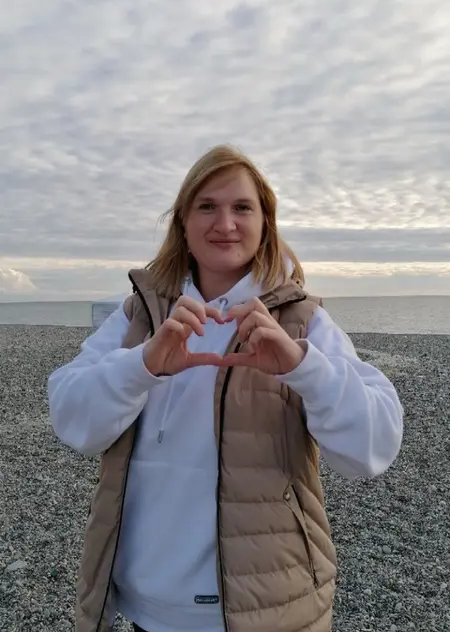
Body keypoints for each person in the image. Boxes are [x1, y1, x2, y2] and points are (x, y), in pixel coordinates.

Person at [48, 144, 404, 632]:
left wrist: (302, 367)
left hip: (270, 607)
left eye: (242, 207)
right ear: (183, 223)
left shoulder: (302, 321)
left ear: (265, 224)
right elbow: (72, 420)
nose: (226, 223)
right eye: (207, 206)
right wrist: (143, 365)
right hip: (147, 606)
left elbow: (372, 450)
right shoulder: (139, 315)